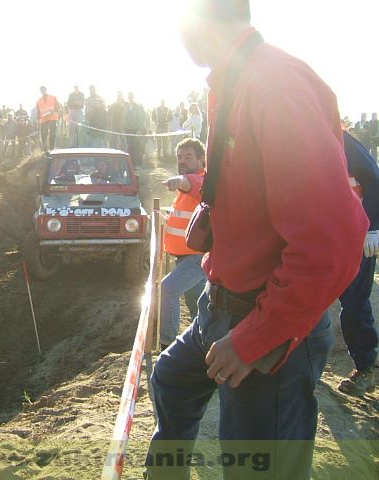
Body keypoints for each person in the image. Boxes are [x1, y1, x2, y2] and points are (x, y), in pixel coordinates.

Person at [145, 2, 368, 479]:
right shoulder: (232, 79)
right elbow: (247, 181)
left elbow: (332, 240)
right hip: (221, 301)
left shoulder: (275, 86)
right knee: (170, 380)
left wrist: (254, 339)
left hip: (264, 315)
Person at [337, 131, 379, 396]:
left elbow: (373, 177)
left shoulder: (338, 138)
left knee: (353, 301)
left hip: (358, 236)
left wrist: (373, 226)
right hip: (327, 235)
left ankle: (367, 367)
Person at [159, 138, 207, 349]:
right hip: (185, 257)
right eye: (180, 157)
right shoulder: (187, 186)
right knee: (197, 306)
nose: (183, 161)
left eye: (188, 157)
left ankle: (167, 344)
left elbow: (189, 183)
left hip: (197, 257)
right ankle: (201, 345)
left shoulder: (203, 181)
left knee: (168, 289)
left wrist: (179, 180)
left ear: (201, 159)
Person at [36, 86, 60, 151]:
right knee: (43, 135)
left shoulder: (53, 97)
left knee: (52, 134)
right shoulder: (38, 101)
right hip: (43, 119)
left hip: (52, 118)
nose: (42, 91)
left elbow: (58, 107)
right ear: (40, 91)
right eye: (41, 90)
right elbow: (38, 111)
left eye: (43, 90)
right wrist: (38, 120)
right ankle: (45, 149)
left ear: (46, 90)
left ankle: (52, 148)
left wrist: (54, 111)